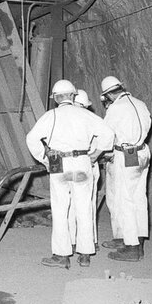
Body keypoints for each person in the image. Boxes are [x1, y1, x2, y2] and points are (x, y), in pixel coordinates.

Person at [26, 80, 114, 269]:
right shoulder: (85, 115)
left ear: (56, 98)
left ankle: (62, 255)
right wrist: (97, 154)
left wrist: (45, 159)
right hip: (82, 163)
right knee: (84, 207)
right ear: (73, 96)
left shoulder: (51, 116)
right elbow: (108, 134)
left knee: (61, 208)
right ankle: (84, 254)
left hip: (60, 164)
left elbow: (32, 138)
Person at [100, 76, 152, 262]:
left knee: (125, 201)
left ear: (108, 95)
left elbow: (106, 134)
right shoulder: (140, 103)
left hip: (125, 155)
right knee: (138, 198)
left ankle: (132, 248)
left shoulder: (116, 108)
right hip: (142, 152)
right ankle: (129, 238)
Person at [69, 90, 103, 254]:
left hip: (71, 166)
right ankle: (90, 243)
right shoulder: (92, 119)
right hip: (89, 165)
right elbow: (105, 138)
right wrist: (96, 155)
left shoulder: (66, 119)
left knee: (70, 205)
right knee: (88, 205)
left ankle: (72, 241)